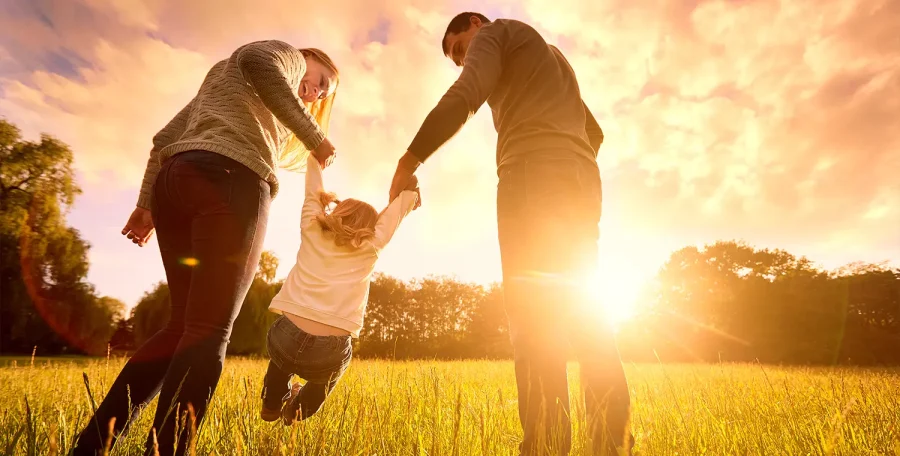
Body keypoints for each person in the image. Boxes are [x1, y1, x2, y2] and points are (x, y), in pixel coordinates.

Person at [72, 41, 341, 456]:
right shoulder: (284, 55)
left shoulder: (223, 79)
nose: (318, 92)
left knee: (181, 327)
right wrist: (315, 136)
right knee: (209, 331)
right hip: (231, 181)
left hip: (176, 183)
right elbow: (258, 60)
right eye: (321, 79)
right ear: (308, 58)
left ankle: (90, 447)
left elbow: (164, 139)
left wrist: (146, 205)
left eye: (325, 93)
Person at [387, 12, 632, 456]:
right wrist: (566, 159)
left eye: (461, 48)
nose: (464, 60)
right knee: (586, 313)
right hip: (580, 179)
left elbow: (467, 92)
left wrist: (410, 160)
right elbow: (593, 131)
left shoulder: (496, 34)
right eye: (457, 58)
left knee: (534, 319)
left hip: (530, 175)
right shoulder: (552, 56)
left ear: (476, 25)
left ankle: (545, 448)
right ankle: (610, 447)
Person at [259, 154, 419, 424]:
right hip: (329, 351)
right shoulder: (371, 246)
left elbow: (312, 192)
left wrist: (315, 159)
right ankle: (298, 411)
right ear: (371, 228)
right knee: (325, 380)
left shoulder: (312, 228)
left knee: (281, 361)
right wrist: (409, 194)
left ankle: (272, 403)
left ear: (338, 212)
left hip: (286, 335)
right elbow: (394, 216)